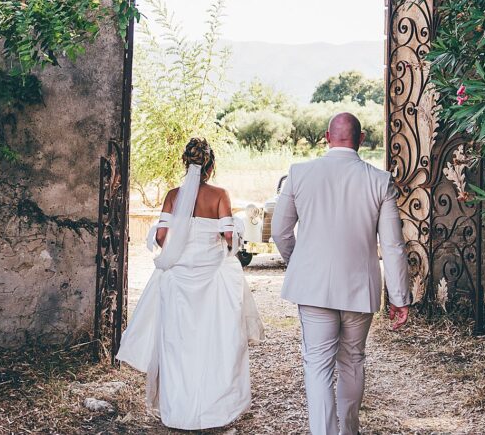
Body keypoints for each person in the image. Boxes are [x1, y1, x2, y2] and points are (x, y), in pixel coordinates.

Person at [272, 112, 411, 435]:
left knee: (317, 366)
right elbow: (393, 246)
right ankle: (349, 431)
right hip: (359, 289)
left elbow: (280, 232)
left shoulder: (299, 174)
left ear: (326, 137)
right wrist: (399, 297)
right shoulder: (380, 181)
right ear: (361, 139)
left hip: (313, 287)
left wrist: (299, 262)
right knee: (352, 361)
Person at [116, 138, 264, 430]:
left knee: (177, 344)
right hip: (212, 281)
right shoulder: (220, 195)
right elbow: (229, 238)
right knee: (215, 341)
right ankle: (214, 410)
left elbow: (161, 237)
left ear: (186, 163)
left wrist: (178, 246)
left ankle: (178, 411)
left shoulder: (173, 196)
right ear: (211, 165)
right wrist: (232, 237)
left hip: (178, 282)